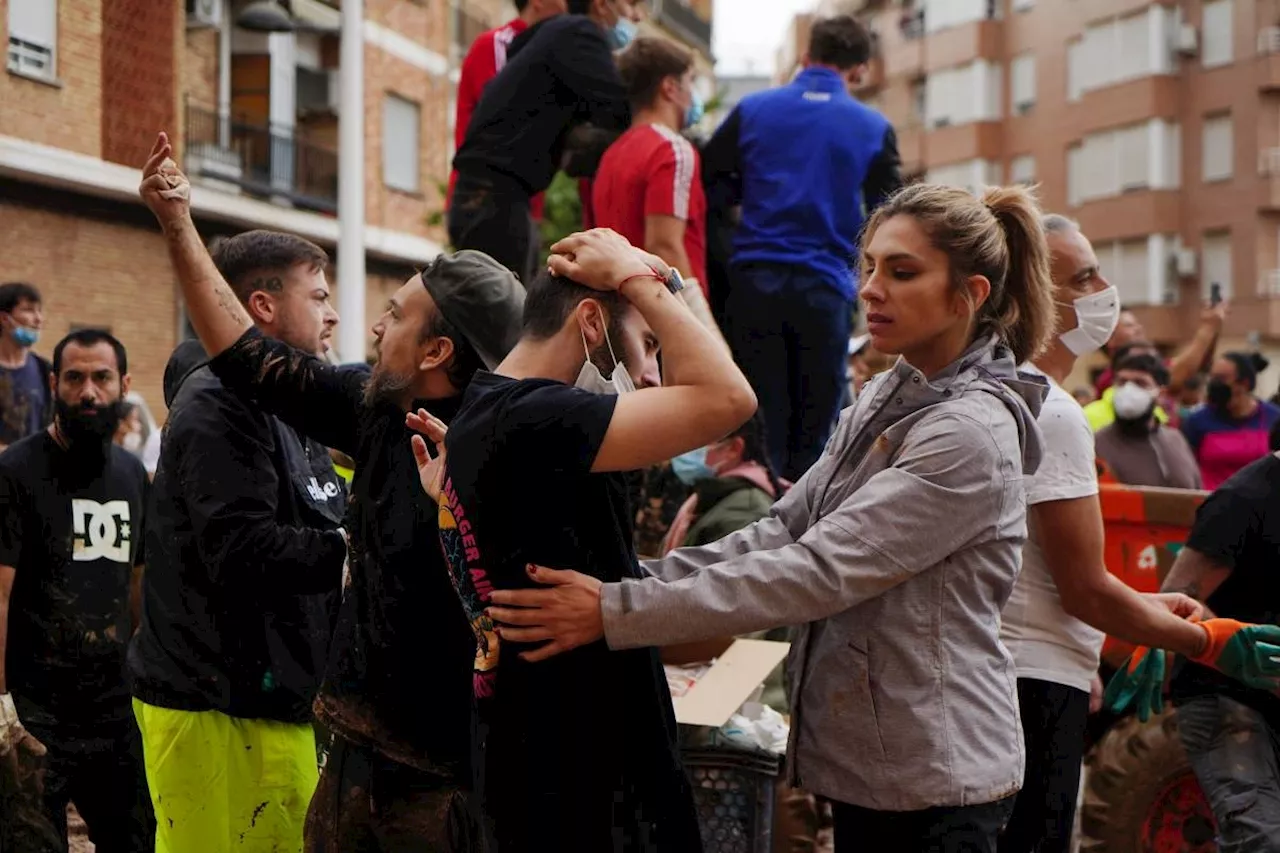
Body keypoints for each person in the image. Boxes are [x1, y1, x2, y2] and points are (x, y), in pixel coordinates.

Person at [475, 183, 1059, 851]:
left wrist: (614, 608)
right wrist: (634, 577)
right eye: (868, 266)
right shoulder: (888, 396)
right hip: (881, 769)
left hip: (937, 779)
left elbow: (818, 569)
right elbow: (784, 529)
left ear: (971, 294)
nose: (872, 289)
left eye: (902, 272)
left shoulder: (970, 434)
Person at [137, 132, 525, 852]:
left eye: (397, 314)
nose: (368, 324)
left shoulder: (501, 447)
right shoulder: (365, 403)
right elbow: (247, 360)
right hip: (322, 742)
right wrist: (176, 222)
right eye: (328, 296)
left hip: (437, 780)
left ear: (439, 353)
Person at [409, 227, 754, 851]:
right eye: (647, 344)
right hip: (585, 786)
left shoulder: (487, 414)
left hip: (535, 767)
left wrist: (658, 283)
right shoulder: (539, 416)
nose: (650, 373)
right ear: (591, 323)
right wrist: (635, 277)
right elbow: (730, 398)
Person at [995, 215, 1236, 853]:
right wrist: (1202, 640)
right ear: (1035, 297)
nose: (1106, 287)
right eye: (1084, 276)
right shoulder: (1052, 410)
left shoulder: (998, 391)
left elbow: (1035, 573)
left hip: (1006, 674)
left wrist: (1141, 614)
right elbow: (1082, 591)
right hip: (1031, 686)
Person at [125, 230, 350, 853]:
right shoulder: (218, 405)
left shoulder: (289, 401)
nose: (333, 314)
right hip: (213, 708)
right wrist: (359, 556)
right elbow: (241, 549)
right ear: (263, 307)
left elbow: (319, 510)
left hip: (274, 701)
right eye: (319, 296)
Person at [704, 14, 903, 481]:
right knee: (815, 428)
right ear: (859, 70)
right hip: (825, 287)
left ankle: (753, 520)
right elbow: (890, 215)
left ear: (806, 56)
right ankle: (801, 532)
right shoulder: (872, 126)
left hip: (753, 282)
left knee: (760, 416)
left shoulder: (754, 109)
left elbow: (710, 182)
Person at [0, 329, 154, 852]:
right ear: (53, 385)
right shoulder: (15, 471)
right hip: (35, 712)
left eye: (102, 378)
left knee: (137, 841)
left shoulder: (133, 474)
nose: (88, 391)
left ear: (124, 385)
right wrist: (1, 703)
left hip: (113, 708)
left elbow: (137, 583)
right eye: (74, 378)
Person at [449, 0, 638, 283]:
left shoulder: (547, 36)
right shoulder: (579, 33)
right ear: (600, 5)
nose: (636, 16)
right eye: (631, 4)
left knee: (500, 312)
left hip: (483, 198)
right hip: (496, 200)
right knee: (506, 320)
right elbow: (622, 112)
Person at [1156, 424, 1280, 852]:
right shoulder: (1241, 502)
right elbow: (1172, 606)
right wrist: (1237, 645)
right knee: (1261, 840)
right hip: (1230, 701)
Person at [592, 37, 707, 295]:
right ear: (669, 87)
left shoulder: (612, 153)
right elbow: (665, 246)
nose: (693, 94)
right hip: (661, 312)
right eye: (690, 82)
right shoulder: (672, 149)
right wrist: (695, 323)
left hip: (621, 308)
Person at [447, 0, 566, 219]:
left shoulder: (545, 51)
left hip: (522, 202)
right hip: (488, 198)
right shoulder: (499, 45)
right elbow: (510, 118)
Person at [1094, 352, 1201, 490]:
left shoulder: (1176, 439)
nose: (1128, 390)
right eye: (1121, 382)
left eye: (1140, 383)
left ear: (1160, 394)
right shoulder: (1097, 445)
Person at [1181, 351, 1280, 491]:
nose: (1214, 384)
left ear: (1244, 383)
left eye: (1221, 378)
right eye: (1212, 378)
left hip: (1261, 505)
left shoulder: (1273, 417)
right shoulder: (1197, 420)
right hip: (1212, 503)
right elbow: (1186, 470)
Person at [1094, 304, 1225, 398]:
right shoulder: (1109, 378)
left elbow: (1196, 366)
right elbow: (1179, 374)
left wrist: (1215, 328)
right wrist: (1208, 327)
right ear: (1109, 339)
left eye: (1137, 324)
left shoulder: (1153, 365)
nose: (1139, 329)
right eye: (1129, 325)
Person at [0, 282, 51, 451]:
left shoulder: (45, 371)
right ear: (4, 318)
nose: (38, 319)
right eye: (29, 310)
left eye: (39, 311)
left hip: (31, 474)